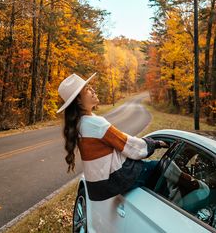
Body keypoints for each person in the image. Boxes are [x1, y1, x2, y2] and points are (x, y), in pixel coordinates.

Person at [57, 72, 169, 201]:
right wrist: (155, 143)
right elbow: (128, 145)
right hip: (117, 179)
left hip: (99, 186)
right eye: (87, 89)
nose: (93, 90)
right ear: (78, 100)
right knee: (165, 167)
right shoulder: (95, 123)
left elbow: (118, 139)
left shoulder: (80, 124)